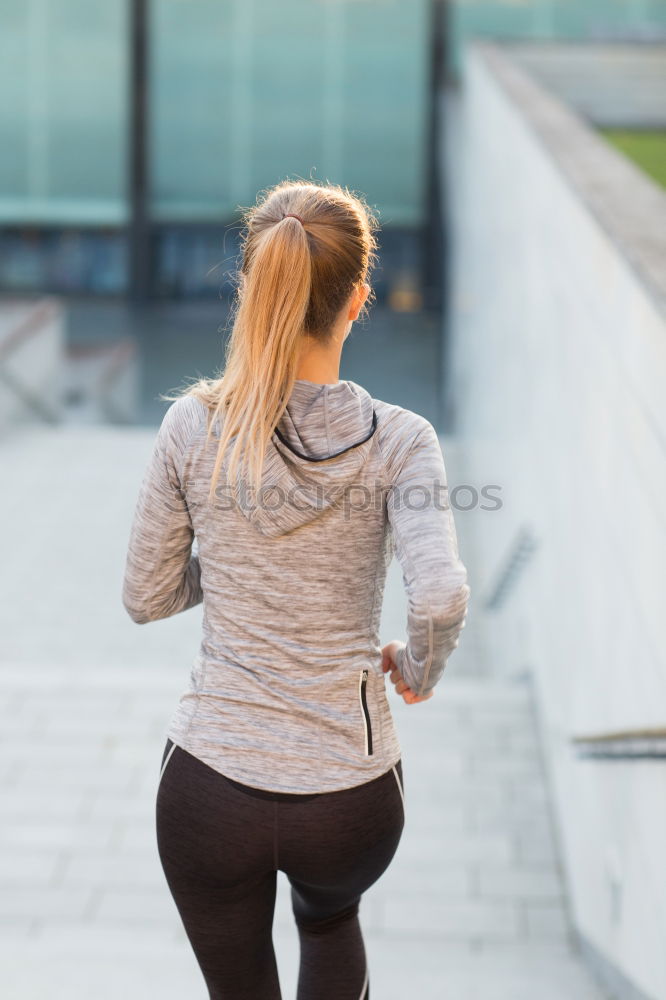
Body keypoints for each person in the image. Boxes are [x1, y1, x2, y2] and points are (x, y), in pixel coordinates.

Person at [121, 178, 470, 1000]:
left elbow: (145, 594)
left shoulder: (192, 424)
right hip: (349, 797)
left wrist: (236, 564)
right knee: (328, 920)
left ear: (253, 289)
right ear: (359, 301)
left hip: (209, 788)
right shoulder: (403, 442)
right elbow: (442, 595)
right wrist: (418, 670)